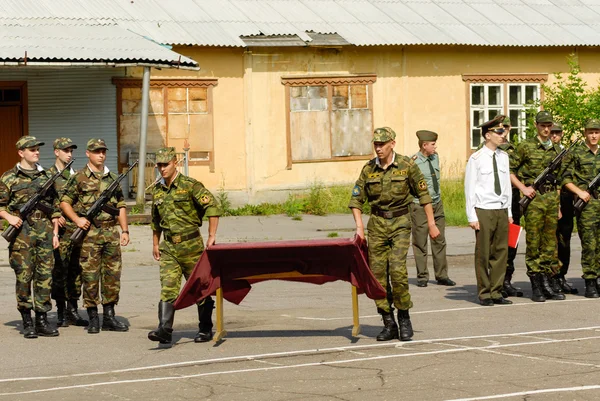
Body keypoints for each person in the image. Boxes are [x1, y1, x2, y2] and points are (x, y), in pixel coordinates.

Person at [349, 127, 439, 342]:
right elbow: (356, 200)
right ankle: (388, 322)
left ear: (393, 143)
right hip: (377, 224)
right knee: (378, 276)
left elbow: (424, 195)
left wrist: (432, 223)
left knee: (397, 272)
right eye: (376, 145)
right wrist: (359, 227)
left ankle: (404, 317)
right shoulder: (368, 169)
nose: (378, 148)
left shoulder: (407, 165)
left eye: (382, 144)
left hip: (400, 222)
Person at [147, 147, 221, 345]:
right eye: (159, 165)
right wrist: (155, 243)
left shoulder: (190, 186)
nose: (162, 169)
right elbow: (155, 221)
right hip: (169, 247)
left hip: (191, 246)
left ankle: (205, 328)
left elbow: (212, 206)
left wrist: (211, 236)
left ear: (175, 163)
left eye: (166, 164)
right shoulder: (157, 191)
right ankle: (165, 329)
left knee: (199, 287)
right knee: (168, 287)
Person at [60, 138, 130, 334]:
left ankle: (109, 316)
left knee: (112, 276)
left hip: (110, 233)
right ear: (88, 153)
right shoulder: (79, 177)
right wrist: (77, 220)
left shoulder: (112, 178)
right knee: (90, 276)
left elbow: (121, 206)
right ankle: (93, 317)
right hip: (89, 235)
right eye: (97, 151)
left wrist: (124, 230)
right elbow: (65, 203)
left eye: (103, 151)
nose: (101, 154)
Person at [0, 136, 61, 338]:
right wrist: (9, 217)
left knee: (45, 277)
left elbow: (54, 207)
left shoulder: (46, 177)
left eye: (37, 149)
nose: (36, 152)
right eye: (32, 149)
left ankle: (42, 320)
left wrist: (54, 233)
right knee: (24, 277)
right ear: (21, 153)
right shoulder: (9, 178)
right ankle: (27, 320)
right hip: (22, 235)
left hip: (43, 233)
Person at [510, 111, 565, 302]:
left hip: (551, 199)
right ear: (536, 125)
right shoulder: (526, 146)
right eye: (543, 125)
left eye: (549, 125)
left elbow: (558, 181)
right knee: (534, 242)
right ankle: (535, 284)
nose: (546, 129)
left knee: (550, 243)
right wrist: (523, 188)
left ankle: (546, 281)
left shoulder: (557, 150)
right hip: (534, 200)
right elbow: (509, 170)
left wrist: (557, 205)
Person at [465, 115, 514, 306]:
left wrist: (509, 211)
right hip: (484, 209)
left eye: (504, 131)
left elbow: (507, 187)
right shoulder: (476, 159)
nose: (503, 135)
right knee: (483, 253)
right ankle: (484, 292)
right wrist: (471, 215)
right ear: (488, 135)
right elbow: (470, 188)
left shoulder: (504, 157)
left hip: (501, 209)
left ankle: (496, 291)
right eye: (499, 132)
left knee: (501, 253)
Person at [48, 138, 88, 327]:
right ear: (56, 152)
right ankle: (61, 310)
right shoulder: (48, 175)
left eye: (71, 150)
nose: (69, 154)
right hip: (58, 231)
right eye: (65, 150)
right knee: (59, 270)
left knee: (75, 270)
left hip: (76, 229)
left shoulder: (77, 175)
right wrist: (55, 215)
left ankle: (73, 308)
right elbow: (46, 202)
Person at [410, 130, 455, 287]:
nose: (435, 147)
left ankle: (441, 275)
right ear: (424, 145)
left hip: (437, 203)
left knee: (439, 240)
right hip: (420, 206)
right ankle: (422, 276)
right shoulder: (413, 162)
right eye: (433, 144)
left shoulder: (435, 157)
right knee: (420, 241)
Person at [561, 118, 600, 298]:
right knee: (590, 244)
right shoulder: (576, 153)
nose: (594, 135)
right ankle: (590, 282)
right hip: (587, 205)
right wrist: (580, 192)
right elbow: (565, 179)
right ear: (585, 133)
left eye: (597, 132)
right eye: (591, 132)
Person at [550, 124, 577, 294]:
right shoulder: (546, 153)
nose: (554, 136)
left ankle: (561, 276)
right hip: (550, 199)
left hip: (566, 199)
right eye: (552, 133)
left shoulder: (567, 153)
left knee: (564, 240)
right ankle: (550, 277)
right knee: (550, 242)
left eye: (557, 133)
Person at [499, 117, 524, 298]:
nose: (504, 130)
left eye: (506, 127)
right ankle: (496, 281)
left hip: (513, 199)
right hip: (495, 200)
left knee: (511, 241)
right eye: (500, 128)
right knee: (496, 243)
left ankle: (507, 280)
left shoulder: (514, 149)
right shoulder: (489, 149)